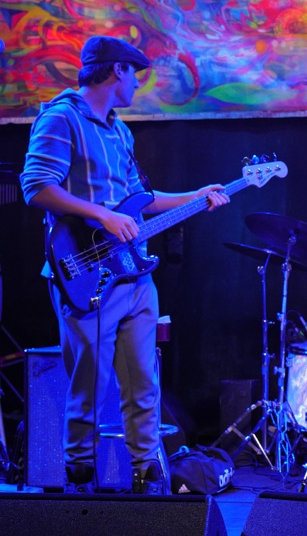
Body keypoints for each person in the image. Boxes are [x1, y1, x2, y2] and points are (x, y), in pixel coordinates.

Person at [20, 35, 230, 493]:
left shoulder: (120, 130)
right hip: (86, 272)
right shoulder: (61, 118)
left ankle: (146, 477)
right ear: (117, 70)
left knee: (144, 384)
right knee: (89, 386)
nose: (137, 83)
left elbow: (140, 200)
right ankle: (79, 480)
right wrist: (102, 215)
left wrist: (196, 196)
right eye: (134, 73)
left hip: (133, 273)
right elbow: (35, 186)